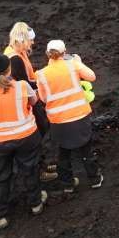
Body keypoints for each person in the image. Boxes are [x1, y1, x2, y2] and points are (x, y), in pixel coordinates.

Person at [0, 52, 47, 230]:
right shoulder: (21, 86)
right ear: (8, 69)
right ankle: (35, 203)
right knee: (30, 168)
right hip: (26, 137)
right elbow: (34, 102)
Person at [36, 40, 103, 192]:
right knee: (86, 149)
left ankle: (68, 185)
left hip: (58, 121)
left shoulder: (41, 74)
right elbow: (91, 77)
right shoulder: (72, 64)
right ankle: (95, 179)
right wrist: (79, 62)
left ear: (48, 54)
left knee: (63, 153)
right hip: (79, 115)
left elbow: (44, 98)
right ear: (64, 52)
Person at [4, 22, 57, 182]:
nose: (33, 43)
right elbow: (24, 83)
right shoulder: (15, 59)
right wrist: (47, 81)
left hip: (26, 101)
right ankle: (38, 171)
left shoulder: (16, 53)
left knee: (40, 131)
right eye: (31, 40)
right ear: (23, 39)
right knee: (36, 135)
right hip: (25, 104)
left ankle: (41, 165)